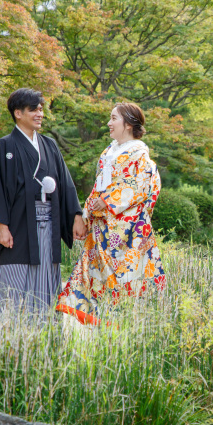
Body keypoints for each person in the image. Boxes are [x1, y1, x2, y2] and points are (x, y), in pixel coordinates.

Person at [0, 88, 86, 320]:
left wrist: (76, 214)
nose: (40, 113)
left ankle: (46, 340)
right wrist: (2, 227)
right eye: (34, 109)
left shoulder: (50, 145)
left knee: (47, 275)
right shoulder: (5, 146)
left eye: (41, 109)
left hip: (49, 223)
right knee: (15, 276)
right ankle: (11, 338)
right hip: (17, 224)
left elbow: (65, 182)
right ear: (18, 113)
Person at [56, 102, 165, 325]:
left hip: (126, 231)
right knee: (99, 275)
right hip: (102, 226)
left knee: (124, 278)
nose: (109, 123)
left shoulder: (139, 154)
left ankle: (121, 326)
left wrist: (106, 201)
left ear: (128, 124)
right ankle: (104, 325)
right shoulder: (109, 151)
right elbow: (99, 186)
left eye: (114, 118)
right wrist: (87, 214)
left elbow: (142, 188)